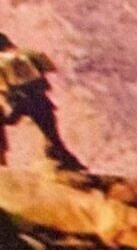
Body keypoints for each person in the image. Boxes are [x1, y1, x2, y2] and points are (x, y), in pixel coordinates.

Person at [0, 33, 81, 171]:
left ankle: (61, 157)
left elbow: (4, 86)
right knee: (50, 128)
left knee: (46, 129)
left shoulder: (2, 61)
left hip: (22, 100)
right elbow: (48, 67)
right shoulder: (29, 53)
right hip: (39, 97)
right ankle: (61, 156)